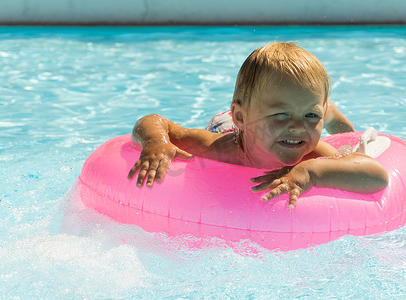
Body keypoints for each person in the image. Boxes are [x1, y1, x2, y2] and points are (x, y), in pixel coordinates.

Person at [127, 42, 387, 208]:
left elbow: (375, 175)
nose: (298, 127)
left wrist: (311, 173)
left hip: (254, 120)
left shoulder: (312, 154)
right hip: (226, 127)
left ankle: (327, 111)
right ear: (242, 117)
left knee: (323, 116)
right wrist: (156, 142)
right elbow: (153, 122)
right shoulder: (219, 147)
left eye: (310, 117)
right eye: (281, 115)